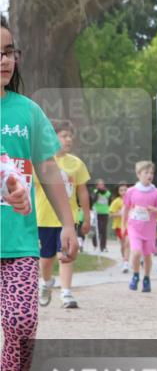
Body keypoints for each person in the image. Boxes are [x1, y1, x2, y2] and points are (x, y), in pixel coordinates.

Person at [1, 15, 80, 371]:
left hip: (17, 242)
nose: (5, 61)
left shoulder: (26, 111)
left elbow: (48, 169)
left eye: (9, 52)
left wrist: (68, 223)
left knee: (23, 324)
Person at [35, 120, 91, 310]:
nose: (69, 139)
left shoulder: (76, 164)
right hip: (44, 218)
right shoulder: (40, 162)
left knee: (66, 254)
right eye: (64, 136)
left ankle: (66, 292)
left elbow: (82, 192)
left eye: (70, 136)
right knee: (46, 258)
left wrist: (86, 216)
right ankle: (47, 281)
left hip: (68, 219)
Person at [122, 161, 157, 292]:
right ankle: (135, 275)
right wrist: (124, 224)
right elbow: (126, 208)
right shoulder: (131, 191)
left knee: (147, 255)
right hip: (134, 227)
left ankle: (146, 278)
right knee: (136, 252)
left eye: (151, 173)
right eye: (146, 172)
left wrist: (154, 209)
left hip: (150, 229)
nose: (149, 175)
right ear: (138, 174)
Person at [109, 183, 129, 273]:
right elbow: (110, 214)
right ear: (118, 192)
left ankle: (126, 262)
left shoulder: (132, 200)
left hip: (131, 225)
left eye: (125, 190)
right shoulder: (117, 201)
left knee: (128, 243)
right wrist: (119, 213)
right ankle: (124, 260)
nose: (124, 192)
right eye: (121, 190)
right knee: (123, 245)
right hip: (119, 226)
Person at [91, 179, 112, 252]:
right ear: (97, 186)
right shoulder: (95, 192)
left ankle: (103, 247)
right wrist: (97, 193)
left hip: (105, 213)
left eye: (102, 184)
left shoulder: (107, 193)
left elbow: (110, 202)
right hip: (97, 213)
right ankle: (95, 244)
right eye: (99, 185)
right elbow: (93, 200)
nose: (101, 186)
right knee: (98, 229)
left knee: (104, 230)